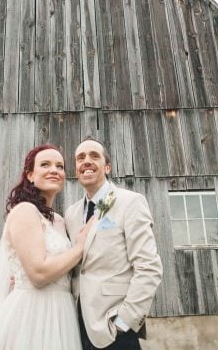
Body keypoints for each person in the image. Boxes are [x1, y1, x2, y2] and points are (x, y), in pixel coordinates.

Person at [0, 144, 94, 350]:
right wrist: (81, 247)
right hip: (31, 315)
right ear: (30, 175)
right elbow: (38, 274)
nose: (54, 170)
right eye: (45, 164)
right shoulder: (24, 211)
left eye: (60, 166)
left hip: (63, 314)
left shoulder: (60, 221)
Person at [64, 138, 163, 350]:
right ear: (76, 170)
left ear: (107, 167)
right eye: (81, 158)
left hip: (114, 328)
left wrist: (124, 322)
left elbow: (149, 267)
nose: (86, 161)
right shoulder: (71, 215)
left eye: (94, 156)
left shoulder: (130, 202)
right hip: (78, 328)